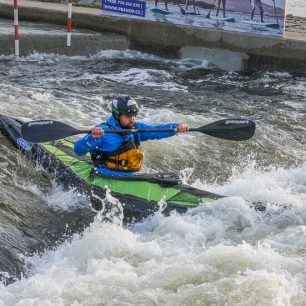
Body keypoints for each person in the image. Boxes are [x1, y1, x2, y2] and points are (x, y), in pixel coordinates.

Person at [74, 94, 189, 177]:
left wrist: (176, 127)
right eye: (128, 116)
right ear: (117, 115)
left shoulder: (135, 128)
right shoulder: (102, 132)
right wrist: (92, 138)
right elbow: (78, 150)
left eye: (134, 115)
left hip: (130, 176)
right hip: (107, 177)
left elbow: (155, 131)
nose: (132, 119)